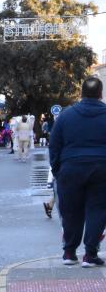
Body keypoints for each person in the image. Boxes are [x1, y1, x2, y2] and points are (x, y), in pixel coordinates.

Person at [49, 77, 106, 268]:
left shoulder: (66, 116)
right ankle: (90, 254)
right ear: (101, 94)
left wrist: (57, 170)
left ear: (81, 93)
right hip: (102, 168)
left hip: (70, 168)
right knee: (98, 210)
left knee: (71, 210)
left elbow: (54, 146)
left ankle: (69, 252)